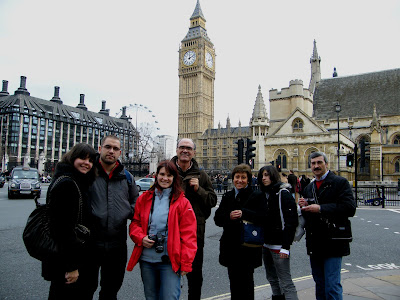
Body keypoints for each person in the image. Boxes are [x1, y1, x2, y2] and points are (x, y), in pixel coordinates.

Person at [126, 160, 197, 299]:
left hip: (170, 261)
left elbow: (189, 235)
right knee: (151, 297)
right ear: (156, 175)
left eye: (169, 175)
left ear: (174, 178)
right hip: (147, 260)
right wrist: (141, 237)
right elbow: (135, 223)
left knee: (170, 297)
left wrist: (186, 263)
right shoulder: (144, 198)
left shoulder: (182, 202)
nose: (165, 178)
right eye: (162, 174)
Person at [85, 135, 139, 299]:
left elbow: (136, 202)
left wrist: (125, 211)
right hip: (89, 244)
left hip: (116, 244)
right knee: (85, 289)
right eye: (108, 147)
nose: (111, 151)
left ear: (120, 153)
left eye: (115, 149)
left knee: (110, 291)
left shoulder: (127, 177)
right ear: (100, 149)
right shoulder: (87, 173)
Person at [42, 143, 96, 299]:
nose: (87, 163)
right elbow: (62, 229)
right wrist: (72, 266)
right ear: (72, 157)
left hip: (70, 258)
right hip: (69, 262)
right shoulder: (68, 184)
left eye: (90, 160)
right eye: (82, 158)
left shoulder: (73, 180)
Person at [298, 152, 356, 300]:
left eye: (319, 162)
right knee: (320, 284)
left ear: (326, 164)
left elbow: (350, 208)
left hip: (333, 241)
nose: (316, 166)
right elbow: (309, 215)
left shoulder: (340, 183)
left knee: (332, 285)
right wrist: (305, 206)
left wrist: (321, 208)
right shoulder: (308, 188)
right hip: (315, 242)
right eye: (313, 163)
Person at [171, 138, 217, 300]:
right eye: (182, 147)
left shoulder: (201, 175)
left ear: (194, 152)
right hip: (170, 232)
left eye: (188, 148)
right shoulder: (167, 172)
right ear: (176, 150)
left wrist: (199, 190)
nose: (185, 151)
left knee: (194, 274)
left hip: (194, 233)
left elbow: (212, 201)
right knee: (169, 275)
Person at [214, 164, 264, 300]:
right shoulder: (227, 196)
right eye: (237, 177)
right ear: (233, 178)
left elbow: (263, 217)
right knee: (234, 284)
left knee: (247, 284)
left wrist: (244, 213)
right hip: (231, 247)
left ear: (248, 179)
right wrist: (229, 216)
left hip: (248, 247)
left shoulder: (257, 195)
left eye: (243, 177)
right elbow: (217, 219)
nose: (240, 180)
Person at [256, 165, 299, 300]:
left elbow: (291, 222)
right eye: (262, 175)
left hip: (279, 246)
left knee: (285, 282)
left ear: (273, 176)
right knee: (272, 279)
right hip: (266, 245)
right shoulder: (263, 194)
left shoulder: (283, 194)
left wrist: (286, 247)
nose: (264, 178)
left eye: (267, 175)